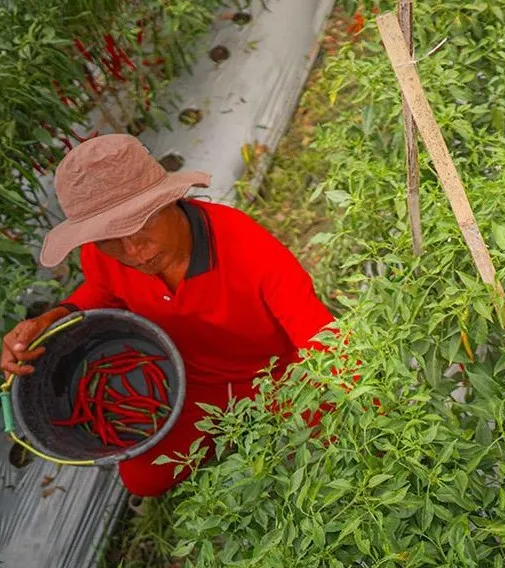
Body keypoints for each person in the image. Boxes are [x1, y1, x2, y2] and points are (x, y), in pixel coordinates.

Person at [0, 134, 336, 497]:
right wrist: (57, 316)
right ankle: (229, 433)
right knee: (143, 481)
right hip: (193, 384)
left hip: (277, 377)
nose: (133, 251)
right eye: (110, 238)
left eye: (141, 224)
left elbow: (323, 341)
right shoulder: (102, 256)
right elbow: (103, 292)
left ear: (170, 199)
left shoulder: (247, 247)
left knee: (333, 438)